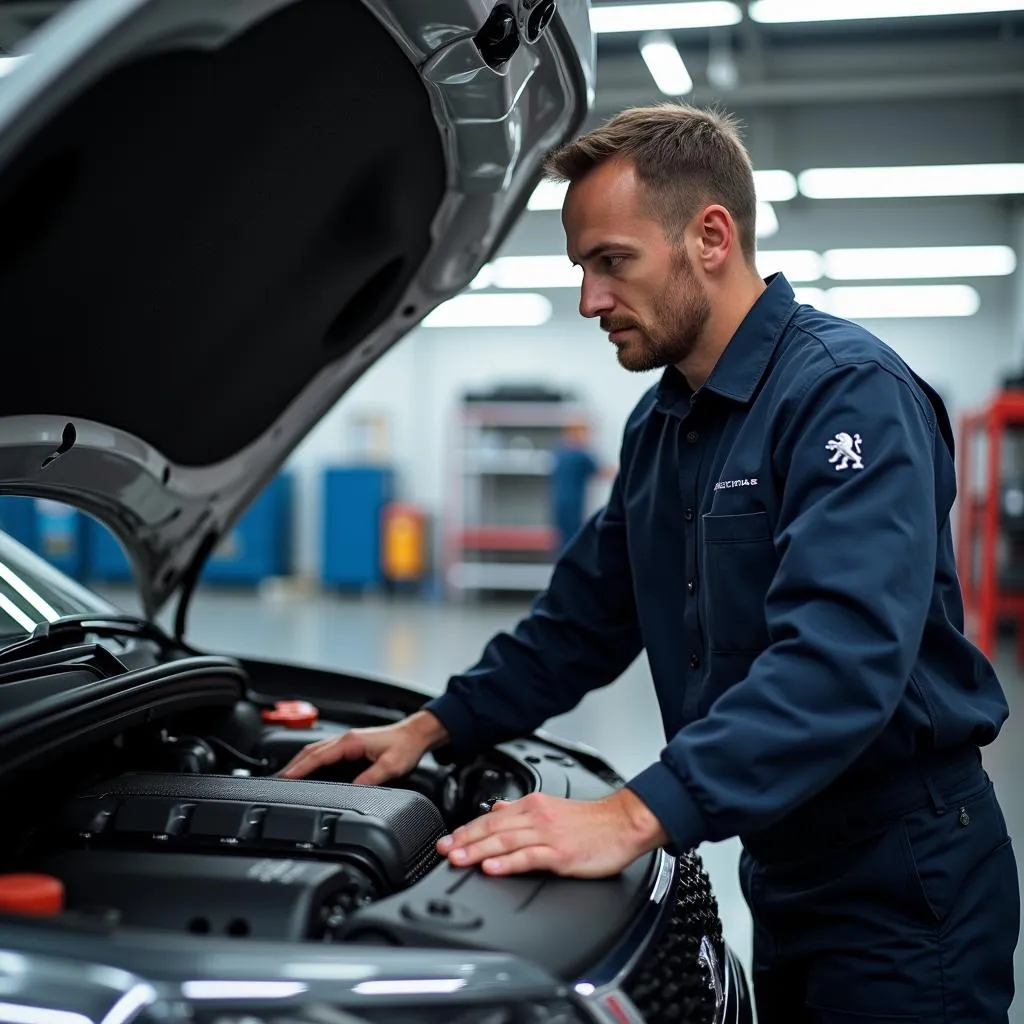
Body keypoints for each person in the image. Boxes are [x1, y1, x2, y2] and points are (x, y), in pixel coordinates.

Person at [281, 103, 1019, 1022]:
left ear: (710, 236)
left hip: (903, 872)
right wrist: (430, 729)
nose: (590, 300)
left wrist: (631, 817)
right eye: (581, 268)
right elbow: (583, 619)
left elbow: (840, 662)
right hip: (781, 858)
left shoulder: (844, 395)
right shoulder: (665, 422)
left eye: (611, 262)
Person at [549, 419, 600, 554]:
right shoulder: (580, 454)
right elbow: (600, 471)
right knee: (573, 537)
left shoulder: (560, 451)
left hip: (558, 499)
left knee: (563, 537)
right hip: (573, 502)